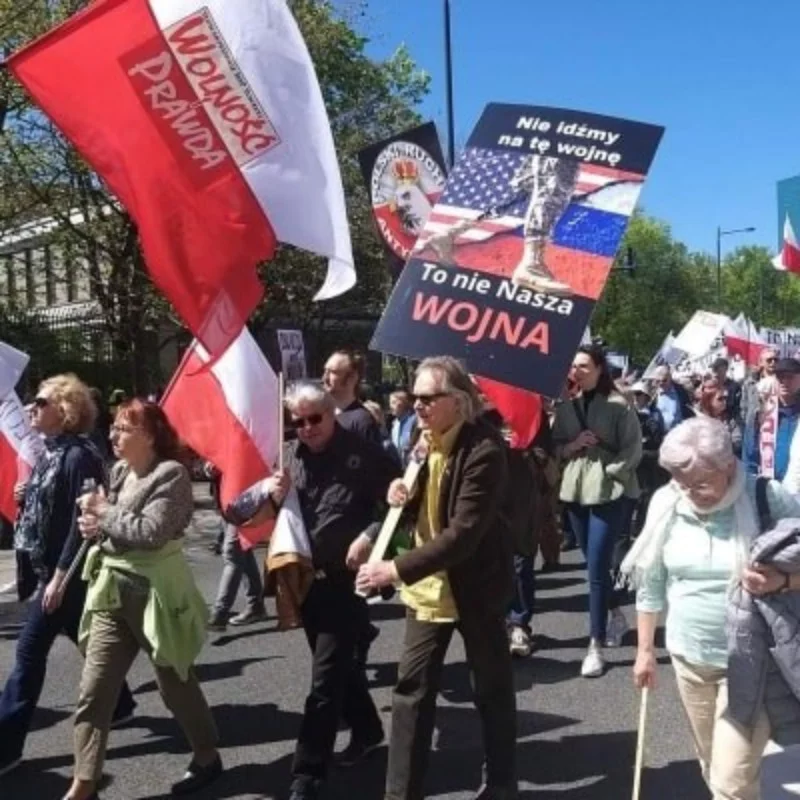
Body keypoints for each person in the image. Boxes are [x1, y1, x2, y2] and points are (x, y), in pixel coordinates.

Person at [357, 356, 517, 800]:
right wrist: (400, 495)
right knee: (411, 690)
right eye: (415, 398)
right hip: (430, 585)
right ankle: (400, 793)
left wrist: (393, 568)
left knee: (491, 688)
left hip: (476, 585)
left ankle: (502, 783)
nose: (418, 405)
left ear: (459, 401)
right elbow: (418, 503)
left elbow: (463, 533)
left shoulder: (484, 450)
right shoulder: (422, 438)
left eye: (429, 398)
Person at [625, 416, 800, 800]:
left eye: (701, 483)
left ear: (730, 466)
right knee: (710, 762)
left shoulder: (766, 497)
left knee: (730, 781)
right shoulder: (667, 502)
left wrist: (784, 582)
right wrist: (644, 653)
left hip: (751, 664)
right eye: (681, 482)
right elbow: (651, 584)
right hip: (688, 657)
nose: (690, 492)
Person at [247, 382, 399, 800]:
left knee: (324, 680)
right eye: (298, 421)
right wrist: (273, 495)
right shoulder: (289, 454)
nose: (307, 428)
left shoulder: (364, 454)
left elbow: (399, 503)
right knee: (338, 666)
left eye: (315, 418)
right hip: (308, 578)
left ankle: (308, 774)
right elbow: (273, 514)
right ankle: (368, 730)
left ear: (331, 413)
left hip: (349, 579)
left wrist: (370, 535)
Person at [65, 400, 221, 799]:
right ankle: (84, 782)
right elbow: (114, 528)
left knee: (175, 685)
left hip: (156, 595)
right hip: (114, 590)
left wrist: (104, 512)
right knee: (94, 690)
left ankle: (206, 754)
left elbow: (152, 533)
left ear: (149, 435)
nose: (113, 435)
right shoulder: (118, 471)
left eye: (123, 428)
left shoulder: (172, 475)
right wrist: (94, 526)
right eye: (113, 427)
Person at [0, 375, 136, 778]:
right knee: (87, 637)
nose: (30, 409)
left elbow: (83, 522)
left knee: (28, 655)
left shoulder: (80, 456)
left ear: (65, 410)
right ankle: (122, 704)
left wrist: (59, 577)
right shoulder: (50, 453)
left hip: (68, 574)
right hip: (52, 571)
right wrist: (29, 493)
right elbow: (48, 508)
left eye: (39, 402)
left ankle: (6, 746)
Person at [553, 345, 642, 677]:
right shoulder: (566, 407)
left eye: (583, 366)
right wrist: (572, 446)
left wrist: (612, 473)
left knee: (596, 567)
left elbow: (633, 449)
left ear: (600, 368)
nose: (576, 371)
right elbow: (556, 446)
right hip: (575, 491)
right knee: (593, 564)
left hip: (609, 493)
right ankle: (615, 613)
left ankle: (595, 645)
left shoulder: (619, 406)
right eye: (573, 366)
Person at [744, 357, 800, 481]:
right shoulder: (761, 413)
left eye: (790, 376)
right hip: (768, 488)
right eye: (780, 376)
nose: (784, 381)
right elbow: (749, 456)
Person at [322, 350, 382, 446]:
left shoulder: (362, 421)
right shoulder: (321, 416)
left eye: (332, 372)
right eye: (325, 371)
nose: (324, 377)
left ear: (352, 378)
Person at [697, 378, 744, 457]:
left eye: (725, 398)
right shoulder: (697, 420)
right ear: (709, 400)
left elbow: (737, 441)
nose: (724, 402)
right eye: (720, 399)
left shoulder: (731, 417)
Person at [653, 365, 695, 433]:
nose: (661, 383)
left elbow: (689, 410)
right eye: (657, 381)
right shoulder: (653, 394)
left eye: (664, 380)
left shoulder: (681, 390)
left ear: (670, 377)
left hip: (681, 434)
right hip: (662, 437)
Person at [389, 390, 417, 467]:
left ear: (403, 403)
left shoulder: (414, 421)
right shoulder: (395, 424)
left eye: (394, 402)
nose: (390, 406)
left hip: (411, 464)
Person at [711, 357, 742, 423]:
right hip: (713, 421)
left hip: (729, 421)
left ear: (725, 369)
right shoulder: (711, 385)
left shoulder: (734, 386)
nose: (714, 370)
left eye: (716, 368)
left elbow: (735, 405)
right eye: (714, 368)